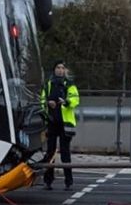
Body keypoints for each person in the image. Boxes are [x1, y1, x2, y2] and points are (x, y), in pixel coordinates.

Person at [39, 60, 80, 191]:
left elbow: (75, 100)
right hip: (51, 122)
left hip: (64, 123)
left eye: (62, 68)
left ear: (65, 70)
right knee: (50, 152)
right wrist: (47, 104)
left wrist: (66, 101)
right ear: (54, 70)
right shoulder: (48, 84)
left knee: (65, 153)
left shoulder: (69, 84)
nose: (60, 70)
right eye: (58, 67)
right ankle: (48, 181)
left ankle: (69, 182)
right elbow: (42, 100)